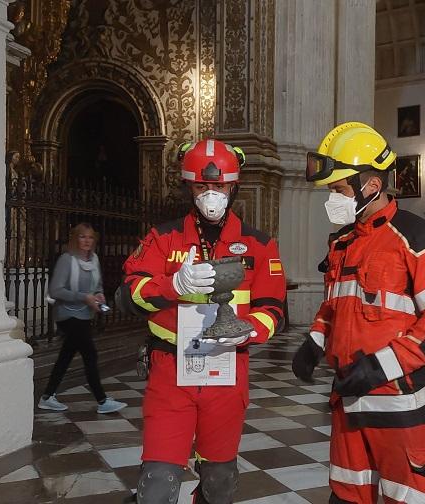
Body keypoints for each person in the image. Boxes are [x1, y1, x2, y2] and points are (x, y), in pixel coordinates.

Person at [292, 122, 425, 504]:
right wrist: (314, 344)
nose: (332, 199)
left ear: (370, 186)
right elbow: (335, 305)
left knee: (408, 494)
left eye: (337, 189)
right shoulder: (341, 240)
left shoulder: (417, 237)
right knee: (349, 492)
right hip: (348, 393)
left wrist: (380, 367)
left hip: (396, 397)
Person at [119, 139, 286, 504]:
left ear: (233, 186)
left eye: (220, 186)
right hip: (170, 371)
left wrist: (248, 331)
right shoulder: (162, 238)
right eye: (202, 186)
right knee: (158, 483)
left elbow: (274, 308)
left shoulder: (259, 245)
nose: (212, 194)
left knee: (219, 482)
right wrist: (171, 284)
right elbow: (128, 294)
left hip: (227, 372)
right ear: (188, 187)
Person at [38, 222, 128, 414]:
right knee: (90, 354)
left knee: (66, 355)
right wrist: (83, 297)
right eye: (82, 237)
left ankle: (47, 396)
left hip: (84, 315)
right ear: (75, 239)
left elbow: (97, 286)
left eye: (90, 237)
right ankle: (102, 400)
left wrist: (99, 295)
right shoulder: (66, 259)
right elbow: (56, 290)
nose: (86, 241)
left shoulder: (94, 259)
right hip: (67, 315)